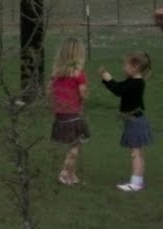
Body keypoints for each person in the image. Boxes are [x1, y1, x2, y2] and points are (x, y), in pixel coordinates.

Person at [100, 50, 152, 193]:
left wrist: (108, 79)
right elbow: (120, 88)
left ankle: (135, 183)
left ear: (135, 67)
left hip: (135, 120)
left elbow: (119, 90)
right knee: (138, 152)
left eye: (125, 65)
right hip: (134, 119)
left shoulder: (136, 83)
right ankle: (138, 181)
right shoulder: (133, 81)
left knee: (135, 153)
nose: (123, 68)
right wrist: (107, 80)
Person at [49, 36, 90, 185]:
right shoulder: (79, 75)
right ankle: (65, 172)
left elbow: (49, 91)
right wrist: (85, 96)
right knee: (76, 145)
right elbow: (83, 93)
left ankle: (72, 175)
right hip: (74, 114)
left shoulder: (56, 74)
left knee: (72, 143)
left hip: (60, 114)